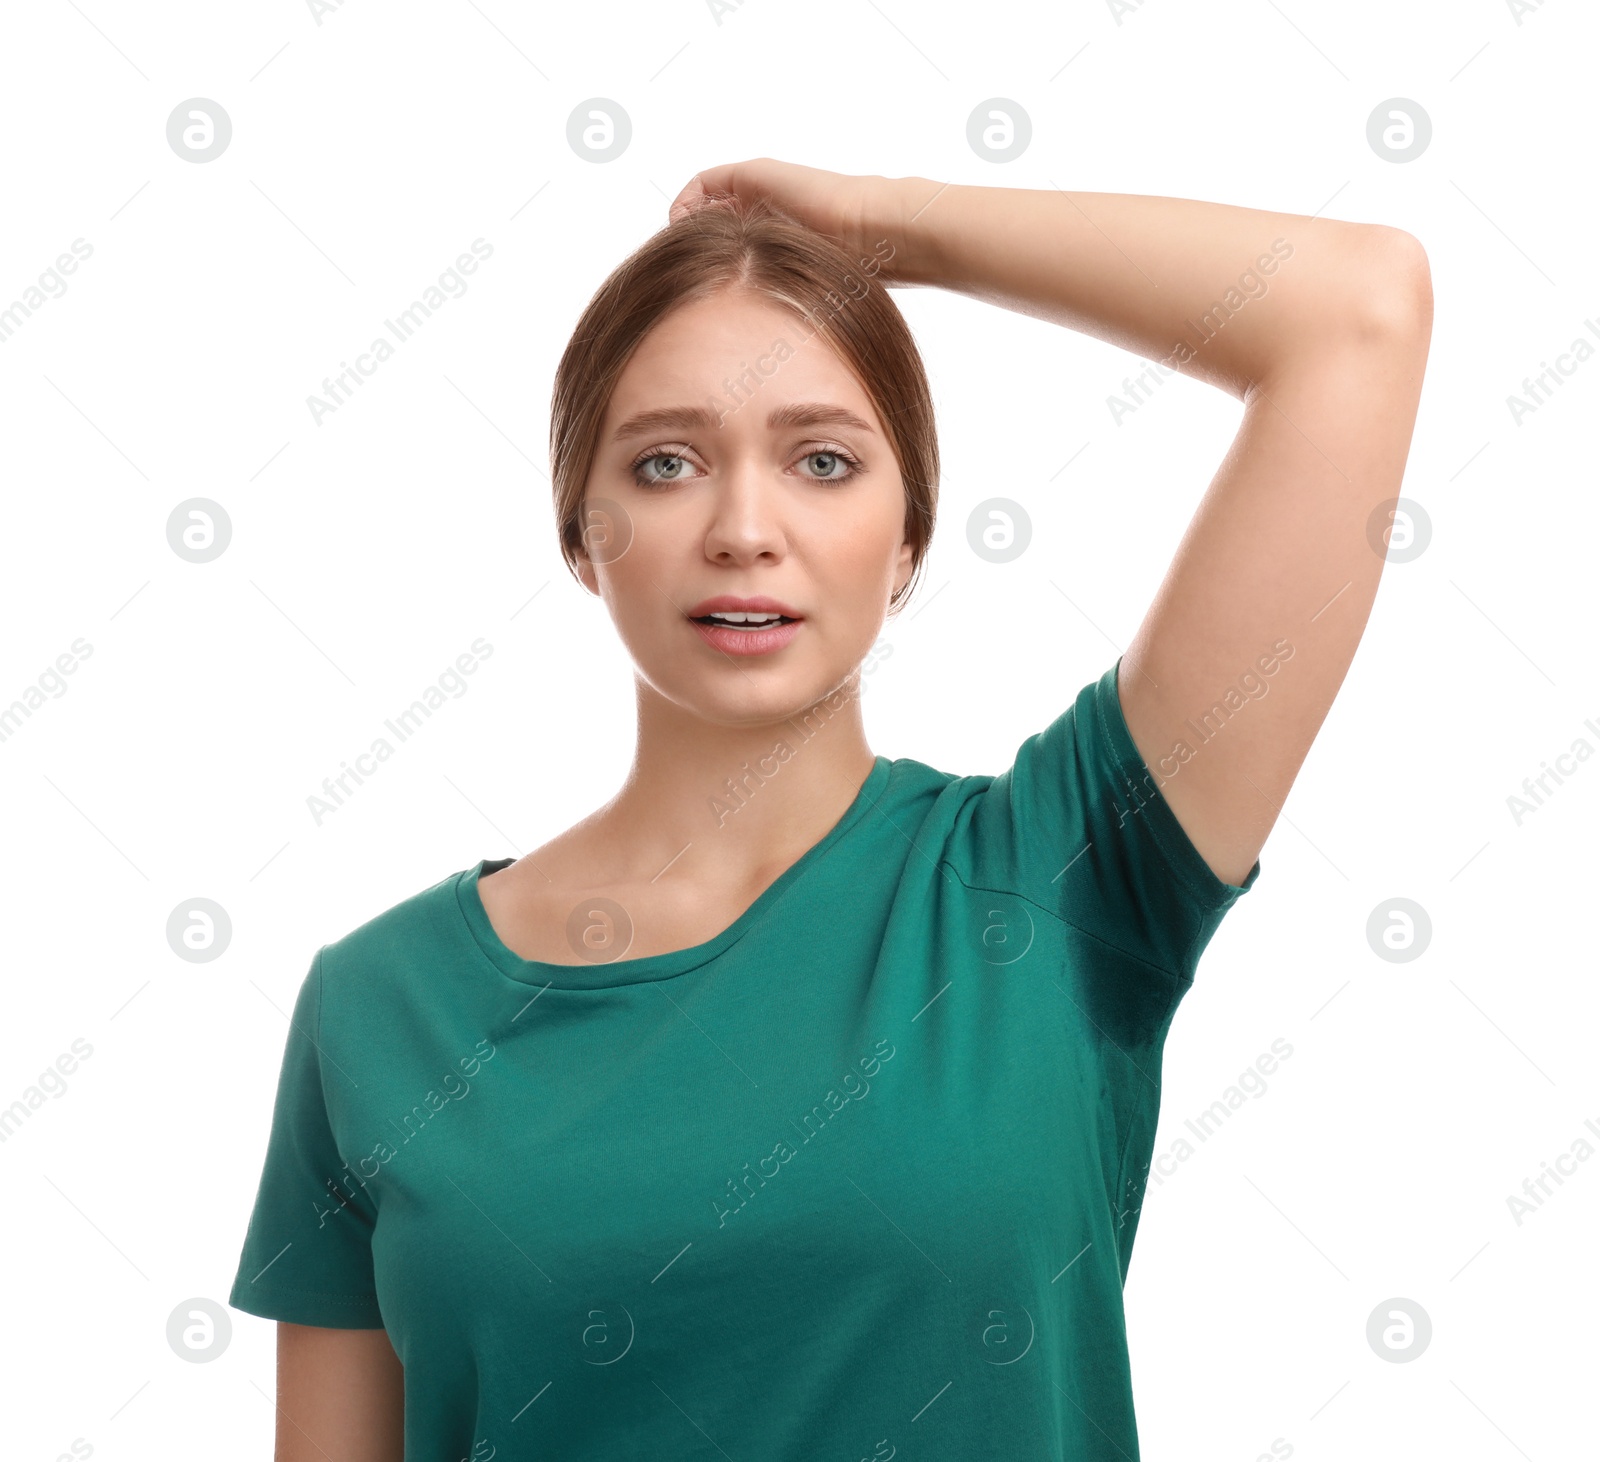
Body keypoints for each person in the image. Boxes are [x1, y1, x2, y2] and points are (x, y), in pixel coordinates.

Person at [227, 159, 1432, 1460]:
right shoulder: (378, 1006)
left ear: (909, 535)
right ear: (582, 530)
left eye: (821, 459)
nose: (745, 527)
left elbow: (1356, 308)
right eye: (669, 460)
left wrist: (884, 231)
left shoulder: (1067, 879)